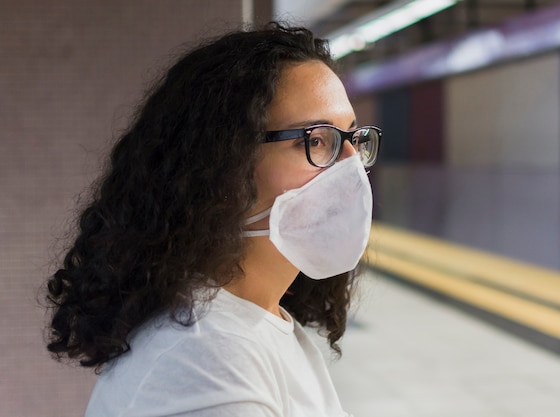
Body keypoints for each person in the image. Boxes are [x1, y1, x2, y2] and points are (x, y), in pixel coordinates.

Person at [45, 22, 382, 417]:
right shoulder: (204, 363)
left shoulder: (254, 322)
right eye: (316, 140)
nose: (351, 170)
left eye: (353, 140)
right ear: (222, 164)